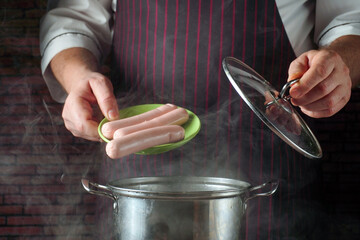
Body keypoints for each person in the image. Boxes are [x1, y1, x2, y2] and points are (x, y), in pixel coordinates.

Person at [40, 0, 360, 239]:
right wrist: (77, 76)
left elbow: (351, 20)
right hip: (137, 180)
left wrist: (338, 63)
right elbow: (73, 18)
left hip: (270, 180)